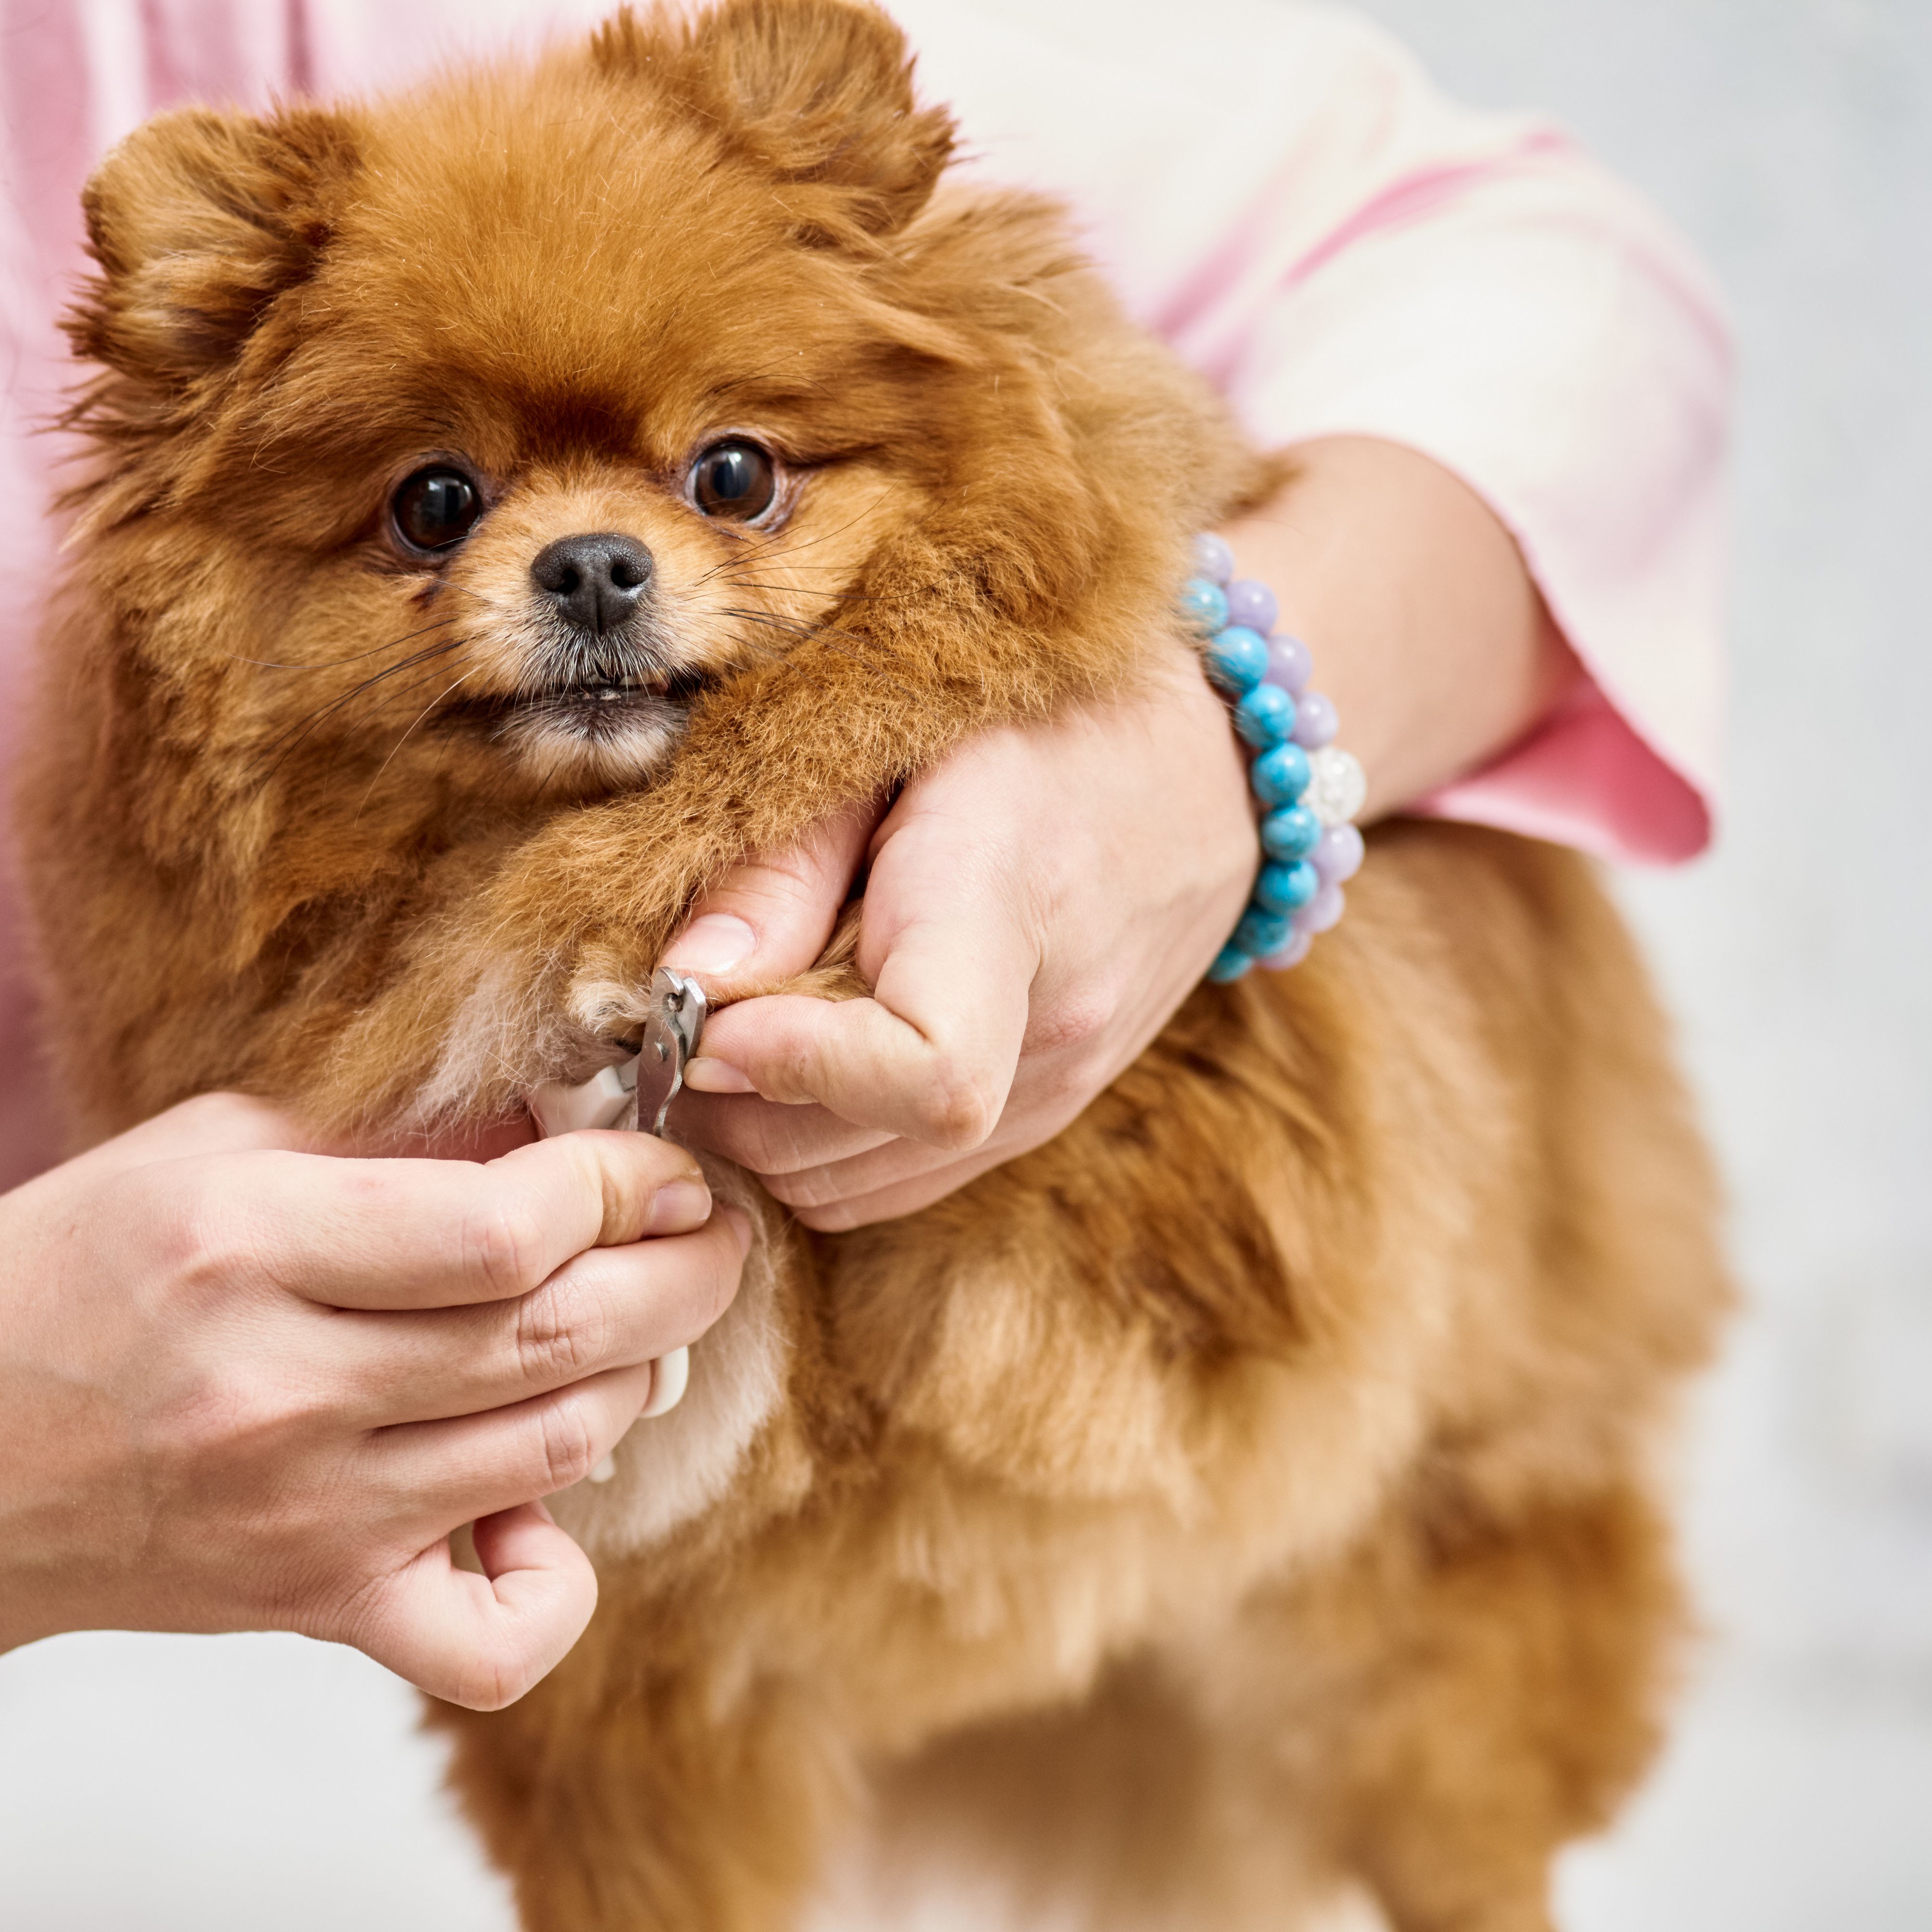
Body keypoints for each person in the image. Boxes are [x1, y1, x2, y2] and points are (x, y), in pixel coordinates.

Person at [0, 0, 1729, 1705]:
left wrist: (1207, 740)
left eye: (730, 476)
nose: (592, 560)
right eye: (436, 510)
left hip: (1356, 1456)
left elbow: (1562, 290)